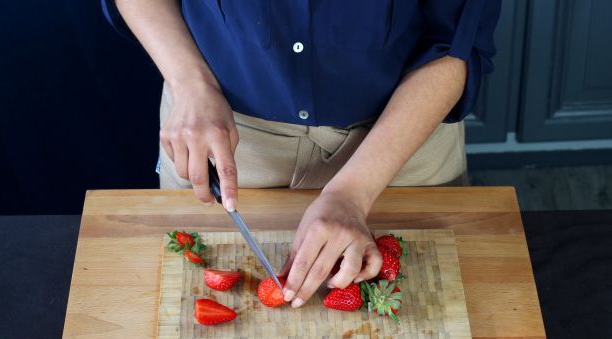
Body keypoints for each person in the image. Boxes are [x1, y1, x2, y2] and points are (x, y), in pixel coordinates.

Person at [102, 0, 500, 307]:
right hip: (225, 139)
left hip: (401, 145)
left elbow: (458, 40)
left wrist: (353, 192)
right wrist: (190, 84)